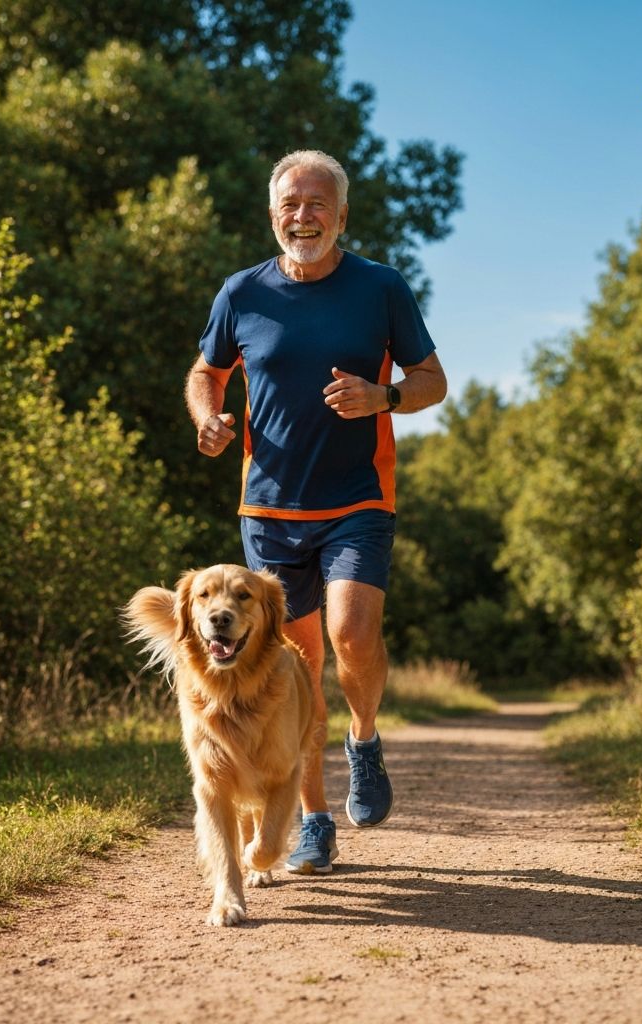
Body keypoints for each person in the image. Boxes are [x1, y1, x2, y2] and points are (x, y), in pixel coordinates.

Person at [184, 149, 447, 874]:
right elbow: (207, 372)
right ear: (274, 215)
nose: (303, 217)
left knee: (352, 634)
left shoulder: (380, 287)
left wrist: (383, 397)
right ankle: (315, 820)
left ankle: (363, 738)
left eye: (317, 204)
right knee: (295, 671)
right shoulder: (242, 292)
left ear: (342, 215)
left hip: (358, 497)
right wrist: (207, 418)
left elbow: (432, 380)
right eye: (290, 205)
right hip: (270, 509)